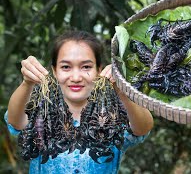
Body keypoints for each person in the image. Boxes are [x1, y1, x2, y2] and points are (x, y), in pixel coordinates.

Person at [4, 30, 154, 173]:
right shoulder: (40, 106)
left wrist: (121, 90)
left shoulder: (113, 111)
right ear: (54, 71)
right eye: (66, 67)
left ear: (98, 70)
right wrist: (27, 83)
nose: (76, 77)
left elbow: (142, 128)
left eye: (86, 67)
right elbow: (15, 120)